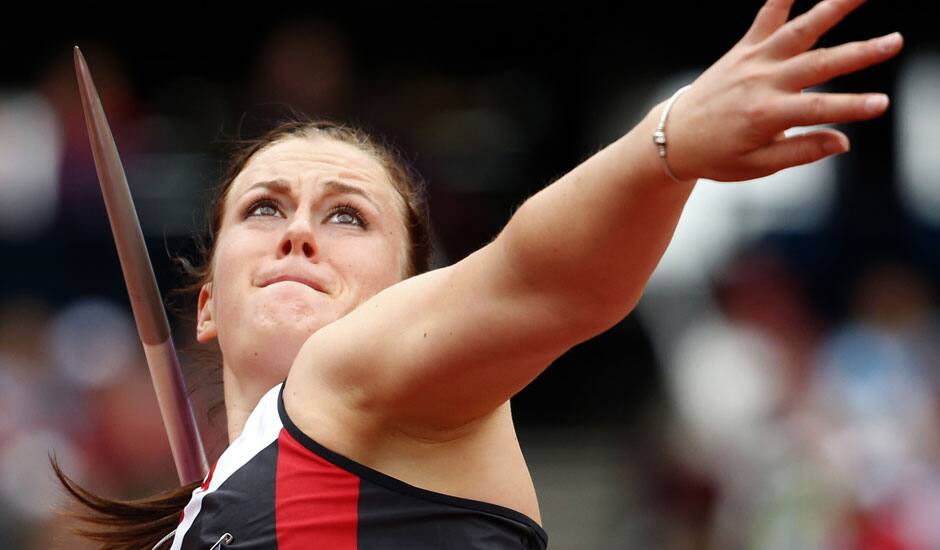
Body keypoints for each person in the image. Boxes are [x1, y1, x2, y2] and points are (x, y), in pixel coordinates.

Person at [52, 0, 904, 548]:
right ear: (205, 307)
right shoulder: (220, 506)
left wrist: (666, 146)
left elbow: (541, 277)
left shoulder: (352, 374)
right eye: (264, 208)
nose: (300, 233)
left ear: (414, 294)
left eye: (347, 215)